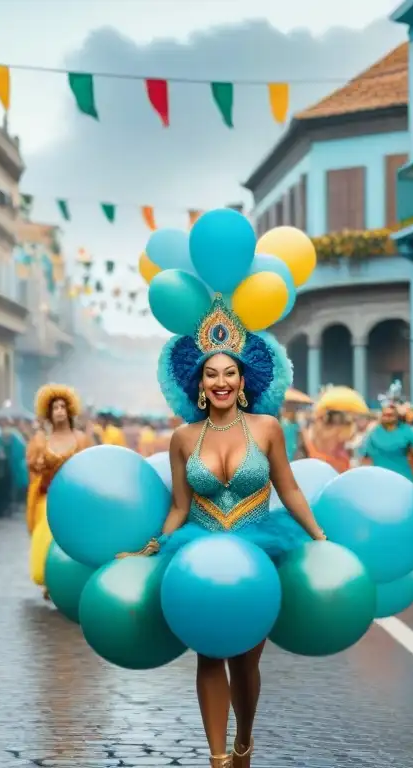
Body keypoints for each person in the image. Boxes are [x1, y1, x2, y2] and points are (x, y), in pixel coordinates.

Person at [121, 295, 327, 768]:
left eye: (229, 372)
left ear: (243, 379)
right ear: (199, 384)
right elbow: (179, 506)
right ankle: (217, 758)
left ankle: (244, 738)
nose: (220, 382)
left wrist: (317, 535)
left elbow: (290, 490)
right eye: (211, 374)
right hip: (199, 552)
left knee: (246, 662)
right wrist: (153, 546)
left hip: (259, 549)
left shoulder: (268, 427)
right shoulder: (183, 438)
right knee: (209, 655)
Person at [26, 385, 91, 592]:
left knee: (72, 541)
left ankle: (68, 581)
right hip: (47, 499)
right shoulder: (40, 441)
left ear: (69, 410)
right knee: (46, 537)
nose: (60, 411)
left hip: (73, 501)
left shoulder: (81, 439)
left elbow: (90, 468)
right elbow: (32, 470)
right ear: (49, 412)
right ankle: (49, 582)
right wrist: (38, 464)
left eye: (63, 406)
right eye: (55, 408)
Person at [357, 381, 413, 485]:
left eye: (391, 415)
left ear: (397, 415)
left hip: (404, 479)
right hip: (379, 480)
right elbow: (363, 455)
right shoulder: (373, 432)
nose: (388, 417)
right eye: (385, 415)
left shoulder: (409, 430)